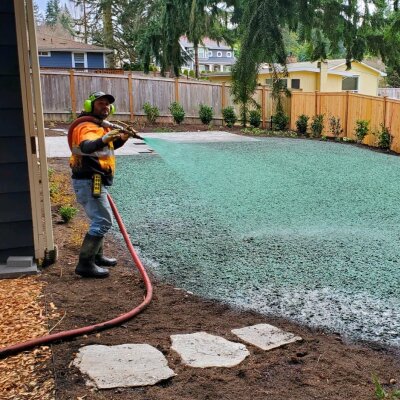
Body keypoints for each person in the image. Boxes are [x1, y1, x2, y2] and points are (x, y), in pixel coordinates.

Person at [69, 91, 129, 278]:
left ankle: (97, 256)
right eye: (101, 103)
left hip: (94, 180)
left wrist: (119, 140)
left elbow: (102, 148)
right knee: (102, 221)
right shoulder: (86, 126)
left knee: (99, 219)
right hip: (89, 181)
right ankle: (85, 264)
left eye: (108, 104)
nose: (105, 107)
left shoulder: (98, 126)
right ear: (90, 106)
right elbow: (87, 146)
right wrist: (104, 138)